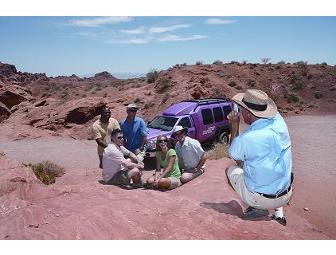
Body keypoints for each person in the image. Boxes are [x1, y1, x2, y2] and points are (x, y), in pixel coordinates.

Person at [226, 89, 293, 226]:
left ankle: (258, 207)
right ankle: (278, 211)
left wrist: (234, 124)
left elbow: (233, 154)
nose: (240, 112)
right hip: (286, 194)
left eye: (241, 109)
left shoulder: (248, 138)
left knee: (231, 168)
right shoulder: (280, 122)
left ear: (248, 113)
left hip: (261, 199)